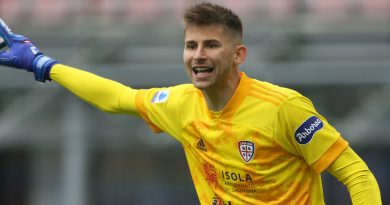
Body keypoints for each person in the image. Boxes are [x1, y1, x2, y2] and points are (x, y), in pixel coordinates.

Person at [0, 2, 382, 205]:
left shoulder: (283, 108)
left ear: (239, 55)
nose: (198, 55)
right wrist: (42, 63)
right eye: (191, 45)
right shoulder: (180, 103)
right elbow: (117, 97)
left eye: (211, 45)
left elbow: (357, 175)